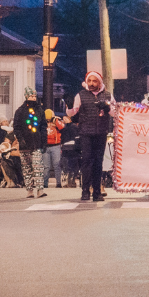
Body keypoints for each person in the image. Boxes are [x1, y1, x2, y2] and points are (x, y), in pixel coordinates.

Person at [67, 71, 112, 202]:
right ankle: (85, 191)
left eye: (94, 81)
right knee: (86, 161)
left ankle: (97, 192)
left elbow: (115, 113)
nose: (91, 83)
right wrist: (69, 106)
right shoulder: (81, 95)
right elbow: (72, 113)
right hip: (86, 133)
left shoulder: (108, 95)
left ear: (99, 82)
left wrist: (108, 109)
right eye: (89, 81)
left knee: (98, 163)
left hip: (101, 133)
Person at [12, 88, 48, 198]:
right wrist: (20, 139)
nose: (33, 98)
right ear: (26, 97)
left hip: (36, 143)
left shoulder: (40, 110)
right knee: (26, 167)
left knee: (38, 167)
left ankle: (40, 190)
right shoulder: (20, 111)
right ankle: (29, 190)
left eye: (34, 96)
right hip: (24, 144)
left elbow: (43, 126)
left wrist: (44, 141)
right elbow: (16, 127)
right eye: (31, 96)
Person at [43, 109, 64, 189]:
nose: (48, 120)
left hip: (56, 146)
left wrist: (55, 121)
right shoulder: (43, 122)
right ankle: (45, 183)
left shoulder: (56, 121)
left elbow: (62, 127)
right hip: (46, 146)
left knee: (57, 165)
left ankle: (58, 183)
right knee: (46, 166)